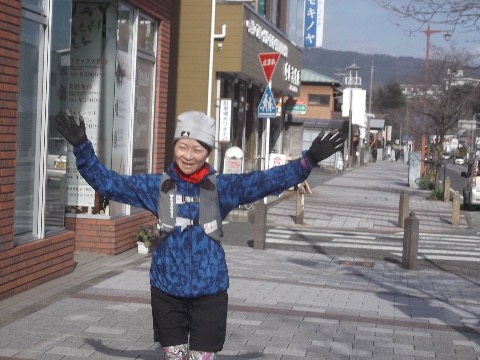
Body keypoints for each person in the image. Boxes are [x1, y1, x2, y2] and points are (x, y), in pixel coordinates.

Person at [55, 110, 347, 360]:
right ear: (174, 147)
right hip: (167, 289)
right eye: (183, 147)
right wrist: (82, 147)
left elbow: (265, 181)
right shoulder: (156, 186)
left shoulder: (223, 187)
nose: (188, 156)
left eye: (197, 149)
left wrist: (307, 162)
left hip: (210, 290)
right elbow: (110, 184)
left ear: (208, 151)